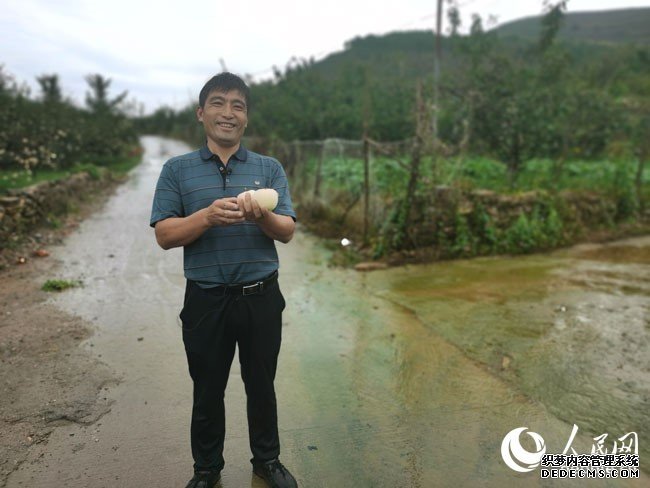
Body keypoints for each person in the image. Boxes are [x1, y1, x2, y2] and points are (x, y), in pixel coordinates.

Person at [149, 72, 298, 488]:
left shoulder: (269, 169)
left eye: (238, 105)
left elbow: (286, 231)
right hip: (206, 299)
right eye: (218, 103)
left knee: (261, 385)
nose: (228, 113)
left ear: (246, 118)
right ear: (201, 113)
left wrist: (263, 214)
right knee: (208, 390)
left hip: (261, 297)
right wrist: (207, 217)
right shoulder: (177, 170)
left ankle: (266, 462)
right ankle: (207, 470)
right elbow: (164, 235)